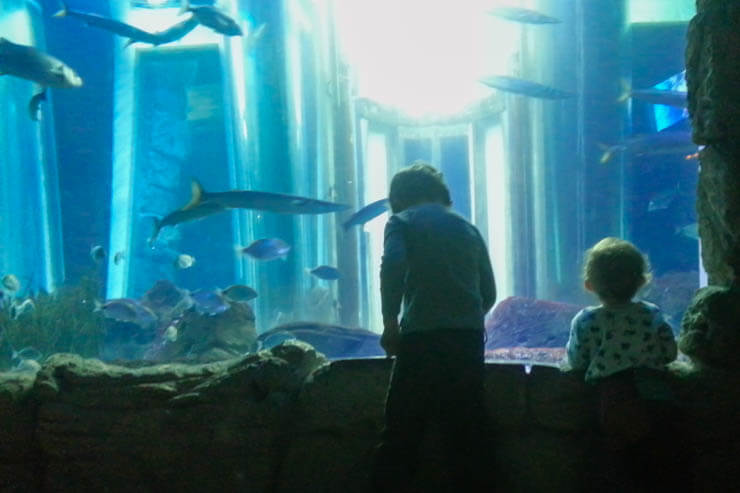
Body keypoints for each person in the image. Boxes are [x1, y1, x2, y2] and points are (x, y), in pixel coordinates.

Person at [371, 162, 496, 492]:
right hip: (467, 341)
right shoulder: (468, 228)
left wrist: (390, 321)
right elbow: (489, 291)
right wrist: (465, 316)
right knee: (467, 432)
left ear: (397, 199)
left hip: (421, 339)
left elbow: (393, 264)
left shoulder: (401, 221)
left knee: (402, 430)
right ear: (442, 196)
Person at [565, 237, 678, 492]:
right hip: (658, 396)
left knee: (616, 466)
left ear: (589, 285)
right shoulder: (651, 313)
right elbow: (670, 352)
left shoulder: (586, 319)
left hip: (613, 398)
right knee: (658, 466)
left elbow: (577, 360)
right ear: (642, 281)